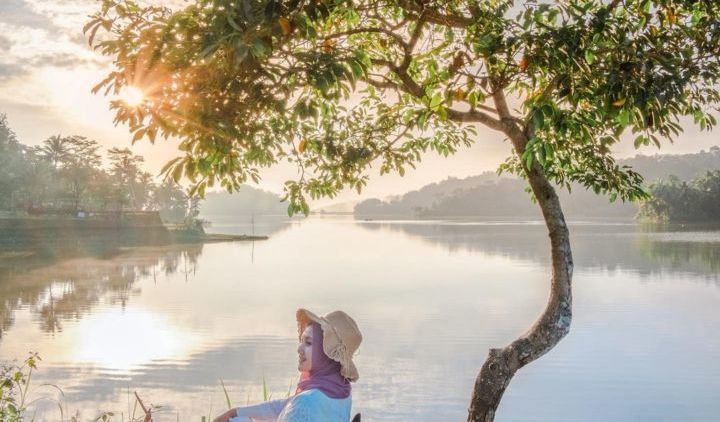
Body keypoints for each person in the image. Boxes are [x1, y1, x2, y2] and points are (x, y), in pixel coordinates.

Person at [213, 309, 362, 422]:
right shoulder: (340, 391)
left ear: (326, 353)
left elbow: (298, 406)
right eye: (302, 340)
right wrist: (235, 412)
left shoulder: (307, 402)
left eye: (309, 343)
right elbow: (284, 406)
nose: (299, 349)